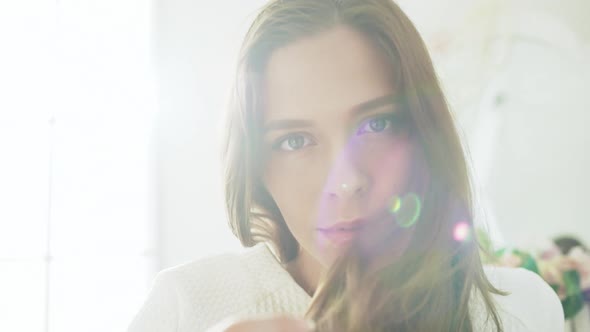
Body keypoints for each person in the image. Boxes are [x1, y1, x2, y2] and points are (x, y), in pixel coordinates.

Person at [128, 0, 564, 331]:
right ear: (257, 169)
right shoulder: (187, 306)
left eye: (377, 124)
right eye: (295, 140)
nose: (347, 180)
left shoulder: (522, 309)